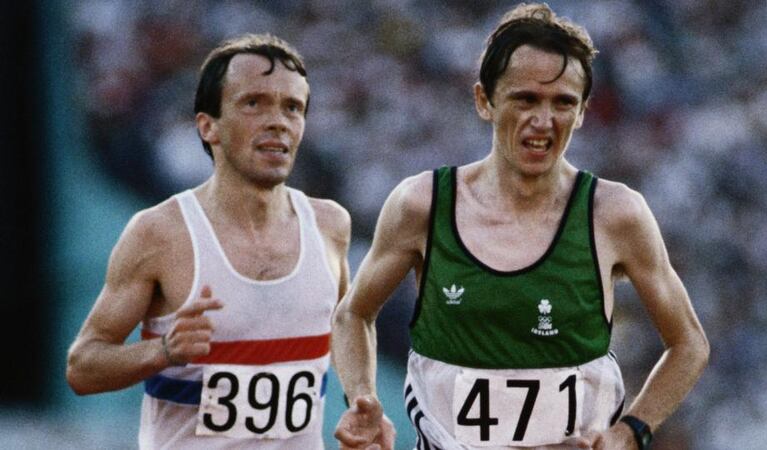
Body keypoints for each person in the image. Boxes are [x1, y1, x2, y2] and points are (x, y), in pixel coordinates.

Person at [332, 3, 709, 450]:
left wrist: (631, 432)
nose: (543, 120)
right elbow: (353, 314)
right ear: (484, 101)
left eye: (563, 102)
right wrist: (361, 397)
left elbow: (688, 343)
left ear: (584, 111)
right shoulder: (424, 205)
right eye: (525, 98)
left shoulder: (615, 214)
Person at [67, 33, 365, 449]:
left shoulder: (330, 224)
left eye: (292, 107)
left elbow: (346, 327)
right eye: (253, 103)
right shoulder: (160, 233)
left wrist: (361, 401)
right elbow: (82, 366)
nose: (277, 120)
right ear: (208, 126)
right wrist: (163, 352)